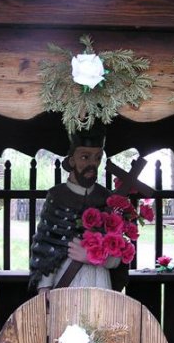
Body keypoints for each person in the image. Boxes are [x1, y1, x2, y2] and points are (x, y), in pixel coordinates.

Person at [28, 122, 127, 293]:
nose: (92, 164)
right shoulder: (57, 196)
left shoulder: (106, 197)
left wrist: (92, 257)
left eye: (97, 158)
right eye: (85, 157)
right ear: (72, 159)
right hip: (65, 282)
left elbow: (118, 252)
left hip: (100, 282)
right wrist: (44, 288)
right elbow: (45, 244)